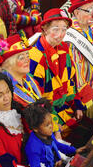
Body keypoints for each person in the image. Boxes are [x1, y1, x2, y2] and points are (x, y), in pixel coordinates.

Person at [29, 8, 85, 139]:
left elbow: (70, 81)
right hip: (47, 119)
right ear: (45, 29)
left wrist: (77, 104)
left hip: (66, 111)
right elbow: (38, 101)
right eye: (55, 29)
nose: (61, 34)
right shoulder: (35, 57)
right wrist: (53, 125)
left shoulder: (64, 50)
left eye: (64, 29)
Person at [22, 98, 87, 167]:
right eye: (47, 125)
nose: (51, 127)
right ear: (35, 129)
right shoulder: (33, 146)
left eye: (51, 123)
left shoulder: (47, 134)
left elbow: (57, 145)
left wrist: (74, 151)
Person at [0, 34, 42, 109]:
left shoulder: (29, 79)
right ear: (8, 64)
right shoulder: (5, 92)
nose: (27, 60)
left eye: (27, 56)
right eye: (21, 58)